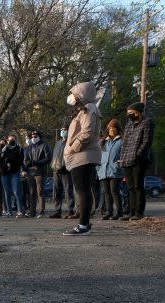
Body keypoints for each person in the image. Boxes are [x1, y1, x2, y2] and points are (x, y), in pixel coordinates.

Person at [62, 81, 102, 236]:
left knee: (82, 191)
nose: (71, 97)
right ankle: (84, 223)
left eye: (74, 93)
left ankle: (83, 225)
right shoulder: (84, 109)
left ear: (81, 95)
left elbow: (87, 133)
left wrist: (72, 149)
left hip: (82, 156)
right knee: (83, 190)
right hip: (81, 156)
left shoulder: (89, 109)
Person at [119, 102, 155, 220]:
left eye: (131, 113)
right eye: (128, 113)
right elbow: (125, 142)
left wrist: (138, 154)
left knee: (137, 186)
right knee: (129, 187)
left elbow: (146, 142)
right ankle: (131, 212)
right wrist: (122, 157)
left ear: (138, 112)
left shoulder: (147, 122)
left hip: (139, 159)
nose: (129, 115)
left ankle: (139, 212)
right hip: (126, 159)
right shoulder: (129, 124)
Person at [97, 120, 124, 220]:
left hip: (115, 171)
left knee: (114, 191)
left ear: (118, 129)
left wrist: (119, 165)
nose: (111, 129)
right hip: (103, 171)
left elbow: (124, 155)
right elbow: (98, 156)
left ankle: (119, 212)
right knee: (106, 192)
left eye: (114, 127)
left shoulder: (122, 141)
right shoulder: (103, 142)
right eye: (110, 127)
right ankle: (109, 211)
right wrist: (98, 167)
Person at [23, 130, 51, 218]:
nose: (33, 138)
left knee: (40, 192)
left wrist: (37, 162)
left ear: (39, 137)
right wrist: (25, 166)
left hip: (40, 172)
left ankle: (41, 212)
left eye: (35, 136)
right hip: (31, 172)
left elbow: (48, 158)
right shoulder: (29, 147)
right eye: (32, 137)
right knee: (32, 192)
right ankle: (32, 212)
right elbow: (25, 159)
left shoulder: (44, 145)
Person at [50, 127, 75, 218]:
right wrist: (53, 165)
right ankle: (57, 210)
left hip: (66, 170)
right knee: (56, 191)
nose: (62, 131)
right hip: (56, 170)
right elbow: (55, 155)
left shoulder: (71, 142)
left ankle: (70, 210)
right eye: (61, 130)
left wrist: (66, 166)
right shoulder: (58, 142)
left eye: (64, 130)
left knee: (68, 190)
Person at [0, 133, 25, 217]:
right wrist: (5, 164)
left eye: (13, 140)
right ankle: (9, 211)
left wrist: (10, 161)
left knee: (16, 191)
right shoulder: (3, 149)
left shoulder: (19, 149)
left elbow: (20, 162)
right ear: (7, 140)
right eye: (10, 140)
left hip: (15, 172)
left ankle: (19, 211)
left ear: (15, 140)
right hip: (5, 173)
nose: (11, 141)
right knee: (7, 192)